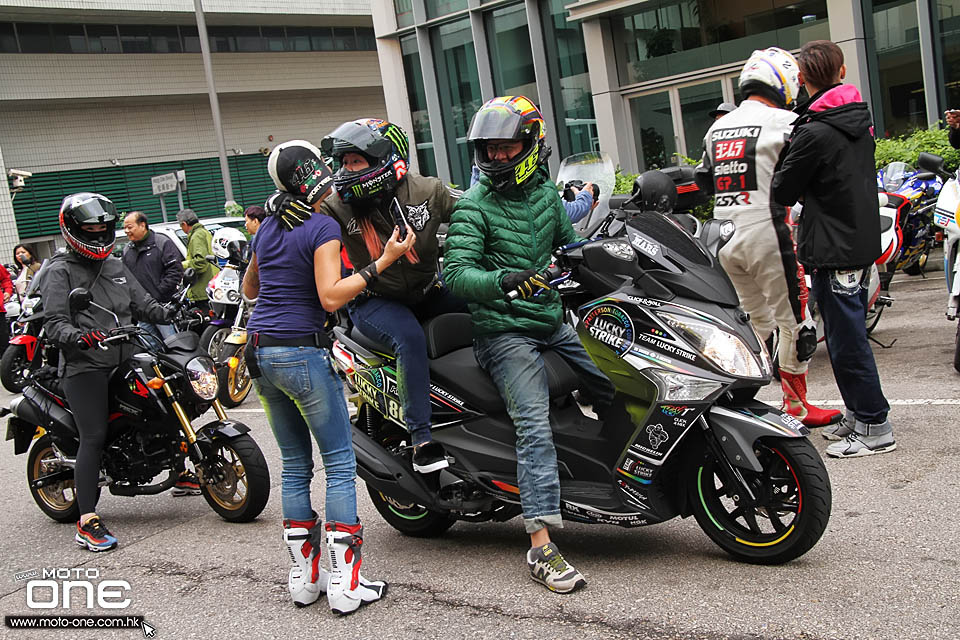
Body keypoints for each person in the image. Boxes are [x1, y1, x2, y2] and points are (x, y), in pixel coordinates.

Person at [443, 95, 616, 594]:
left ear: (531, 146)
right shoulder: (474, 207)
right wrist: (505, 279)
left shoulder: (543, 195)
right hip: (503, 332)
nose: (495, 158)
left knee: (614, 382)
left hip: (552, 321)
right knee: (533, 422)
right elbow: (456, 273)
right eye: (488, 150)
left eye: (505, 148)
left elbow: (571, 244)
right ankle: (540, 544)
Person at [245, 143, 406, 614]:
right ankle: (345, 584)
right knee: (338, 464)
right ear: (312, 172)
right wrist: (385, 261)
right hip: (302, 350)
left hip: (260, 352)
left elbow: (251, 289)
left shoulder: (270, 224)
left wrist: (268, 243)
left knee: (295, 465)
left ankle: (304, 579)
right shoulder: (322, 226)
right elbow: (331, 297)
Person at [307, 121, 465, 473]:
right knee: (409, 338)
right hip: (374, 299)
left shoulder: (427, 190)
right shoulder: (334, 207)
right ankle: (420, 438)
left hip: (427, 290)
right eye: (343, 162)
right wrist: (281, 213)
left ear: (383, 159)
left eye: (355, 162)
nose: (346, 170)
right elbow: (304, 229)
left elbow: (474, 212)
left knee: (489, 301)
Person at [694, 47, 840, 428]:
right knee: (797, 322)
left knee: (750, 321)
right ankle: (798, 407)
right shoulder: (785, 121)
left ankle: (735, 401)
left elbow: (702, 179)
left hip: (723, 231)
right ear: (785, 82)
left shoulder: (717, 127)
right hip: (768, 227)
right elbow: (805, 175)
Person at [772, 40, 895, 457]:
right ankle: (861, 416)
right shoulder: (857, 119)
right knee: (847, 335)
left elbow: (783, 188)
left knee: (846, 341)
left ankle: (875, 425)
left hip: (832, 244)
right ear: (842, 73)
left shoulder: (813, 130)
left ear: (803, 80)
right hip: (858, 237)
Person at [42, 193, 178, 551]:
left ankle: (182, 468)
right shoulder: (59, 271)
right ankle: (87, 520)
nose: (100, 232)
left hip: (125, 357)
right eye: (91, 228)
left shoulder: (116, 265)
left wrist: (172, 313)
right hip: (84, 365)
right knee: (94, 436)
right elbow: (54, 323)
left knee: (163, 400)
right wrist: (81, 337)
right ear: (73, 230)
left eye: (104, 226)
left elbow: (142, 303)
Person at [121, 212, 184, 344]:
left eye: (130, 227)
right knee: (149, 348)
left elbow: (175, 271)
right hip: (142, 312)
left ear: (142, 225)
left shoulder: (162, 243)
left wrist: (158, 293)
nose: (126, 231)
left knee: (173, 345)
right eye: (125, 228)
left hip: (163, 307)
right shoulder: (127, 250)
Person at [177, 208, 219, 314]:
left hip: (203, 288)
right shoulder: (204, 232)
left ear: (184, 224)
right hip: (210, 285)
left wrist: (184, 265)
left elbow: (200, 262)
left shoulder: (197, 236)